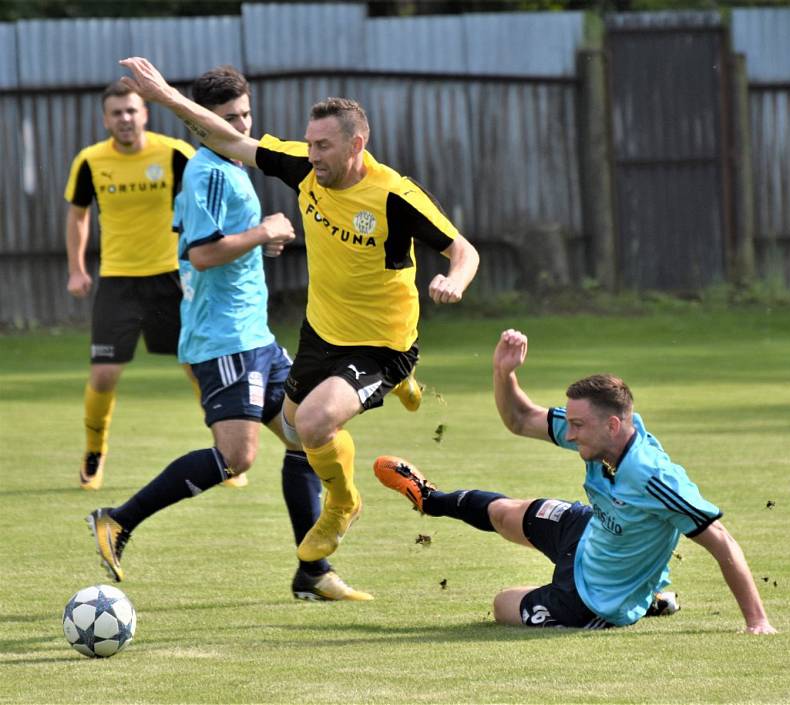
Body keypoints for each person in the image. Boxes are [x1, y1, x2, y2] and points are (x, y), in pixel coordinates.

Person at [117, 57, 480, 567]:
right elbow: (229, 140)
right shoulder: (304, 168)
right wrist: (167, 98)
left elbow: (463, 250)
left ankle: (343, 504)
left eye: (323, 146)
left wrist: (453, 279)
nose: (312, 155)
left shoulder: (394, 196)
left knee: (311, 424)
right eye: (309, 144)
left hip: (381, 343)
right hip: (320, 336)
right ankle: (385, 412)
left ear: (357, 145)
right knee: (294, 435)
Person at [87, 66, 371, 601]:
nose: (241, 125)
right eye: (228, 119)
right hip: (223, 339)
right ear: (203, 124)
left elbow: (217, 244)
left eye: (245, 114)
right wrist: (262, 231)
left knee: (306, 437)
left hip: (255, 334)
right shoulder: (207, 172)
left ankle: (313, 572)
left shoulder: (235, 165)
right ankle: (117, 521)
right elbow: (199, 252)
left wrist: (257, 243)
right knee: (237, 458)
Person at [374, 329, 776, 634]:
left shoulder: (656, 478)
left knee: (502, 605)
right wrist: (503, 373)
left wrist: (756, 622)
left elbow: (720, 538)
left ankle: (641, 602)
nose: (569, 434)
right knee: (503, 513)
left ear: (613, 424)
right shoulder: (602, 434)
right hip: (587, 530)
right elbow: (519, 420)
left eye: (578, 425)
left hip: (592, 600)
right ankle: (430, 499)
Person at [65, 81, 197, 490]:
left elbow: (207, 200)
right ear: (106, 119)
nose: (125, 118)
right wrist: (76, 267)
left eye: (131, 111)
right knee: (103, 374)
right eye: (117, 112)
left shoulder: (175, 153)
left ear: (146, 114)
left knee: (198, 367)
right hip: (118, 281)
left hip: (169, 278)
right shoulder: (90, 161)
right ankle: (94, 451)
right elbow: (78, 215)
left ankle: (228, 452)